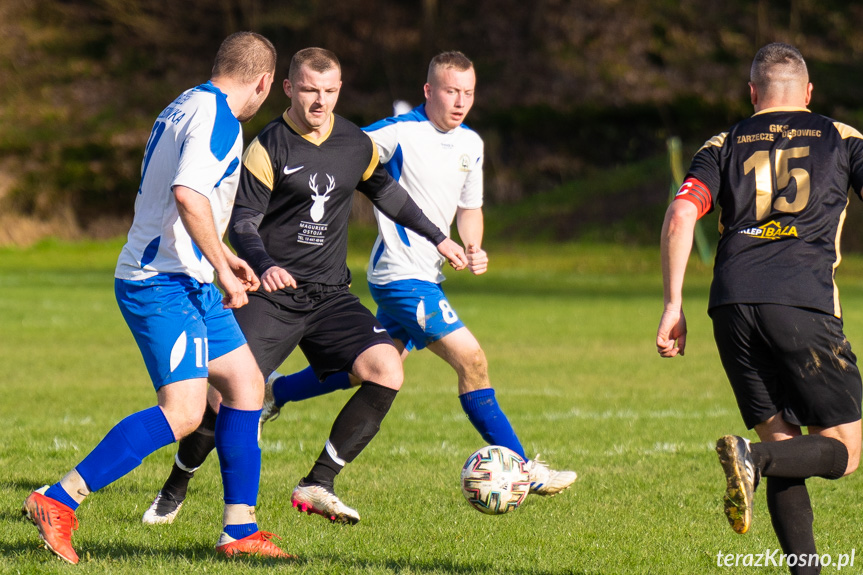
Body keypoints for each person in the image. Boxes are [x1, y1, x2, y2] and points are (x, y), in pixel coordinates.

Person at [142, 50, 575, 527]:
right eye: (309, 90)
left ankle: (318, 482)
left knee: (386, 368)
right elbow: (243, 222)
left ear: (340, 89)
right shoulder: (267, 146)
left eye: (329, 91)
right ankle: (177, 482)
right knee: (223, 399)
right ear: (288, 88)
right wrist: (263, 264)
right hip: (272, 293)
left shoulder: (354, 143)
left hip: (329, 294)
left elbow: (388, 193)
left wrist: (440, 238)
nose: (319, 101)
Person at [21, 32, 291, 563]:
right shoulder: (221, 120)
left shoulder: (186, 102)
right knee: (185, 412)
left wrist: (223, 261)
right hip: (160, 283)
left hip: (187, 278)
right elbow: (188, 195)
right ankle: (58, 499)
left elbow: (188, 201)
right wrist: (226, 270)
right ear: (263, 83)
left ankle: (239, 530)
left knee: (245, 383)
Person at [657, 42, 862, 575]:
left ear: (753, 94)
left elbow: (682, 215)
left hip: (730, 304)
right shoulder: (840, 137)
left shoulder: (723, 143)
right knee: (843, 452)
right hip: (802, 301)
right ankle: (754, 459)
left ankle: (805, 569)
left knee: (781, 440)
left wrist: (673, 304)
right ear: (809, 93)